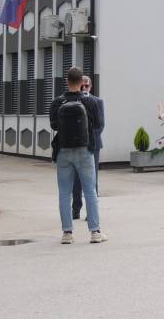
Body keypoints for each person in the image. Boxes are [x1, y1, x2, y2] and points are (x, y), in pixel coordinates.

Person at [49, 67, 106, 244]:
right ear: (82, 82)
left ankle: (67, 233)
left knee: (64, 192)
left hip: (63, 151)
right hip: (85, 151)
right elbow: (98, 124)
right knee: (90, 190)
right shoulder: (90, 102)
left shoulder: (57, 102)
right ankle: (95, 232)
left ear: (67, 81)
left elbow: (54, 125)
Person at [71, 75, 104, 221]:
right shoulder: (72, 101)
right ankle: (75, 209)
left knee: (92, 178)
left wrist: (88, 140)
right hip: (76, 146)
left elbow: (100, 125)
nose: (84, 88)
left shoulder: (97, 101)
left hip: (93, 145)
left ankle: (91, 212)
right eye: (82, 85)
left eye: (87, 85)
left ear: (91, 86)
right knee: (76, 178)